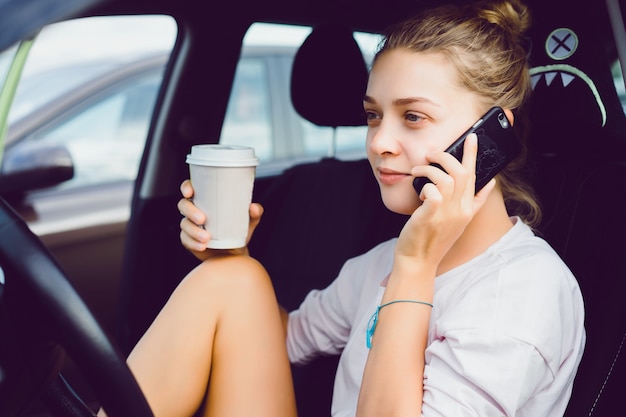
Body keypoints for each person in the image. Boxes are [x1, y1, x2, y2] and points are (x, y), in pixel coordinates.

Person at [116, 1, 586, 416]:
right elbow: (273, 339)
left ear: (492, 134)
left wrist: (415, 267)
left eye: (413, 117)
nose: (379, 142)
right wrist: (228, 255)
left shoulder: (525, 289)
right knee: (232, 281)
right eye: (373, 115)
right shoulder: (380, 262)